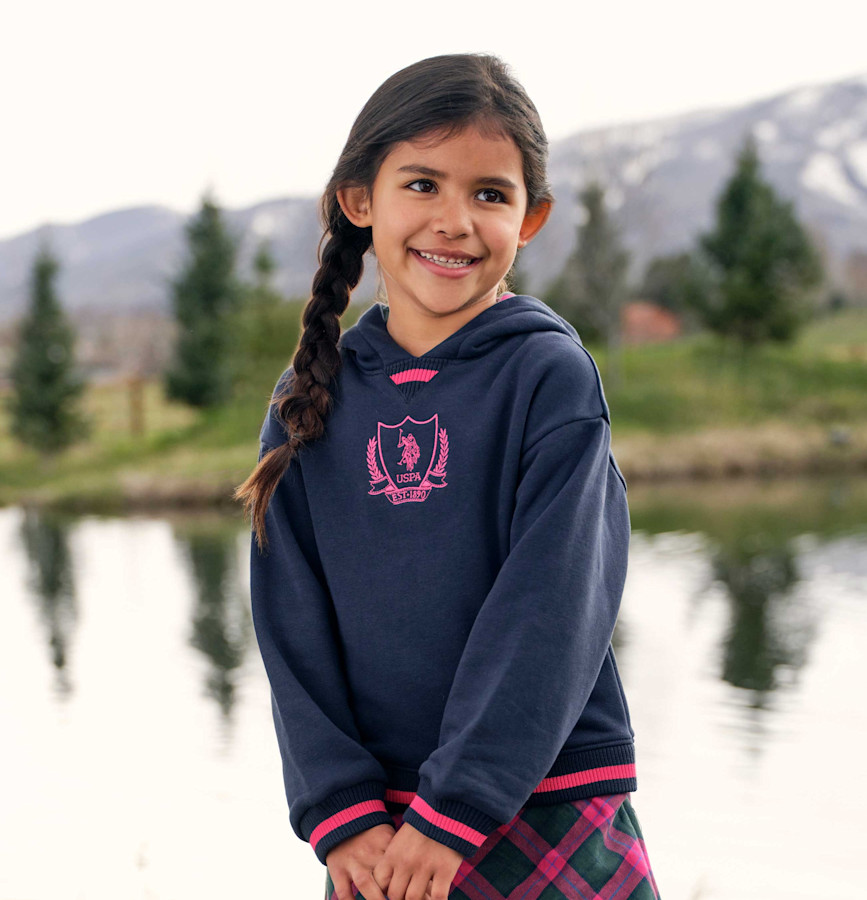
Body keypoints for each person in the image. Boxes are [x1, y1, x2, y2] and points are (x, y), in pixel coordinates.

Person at [235, 53, 660, 900]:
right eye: (422, 185)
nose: (454, 221)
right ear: (360, 200)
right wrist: (337, 807)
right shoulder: (308, 398)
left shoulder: (546, 375)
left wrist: (454, 807)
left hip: (539, 798)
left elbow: (552, 604)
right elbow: (289, 621)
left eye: (489, 194)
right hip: (375, 825)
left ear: (530, 218)